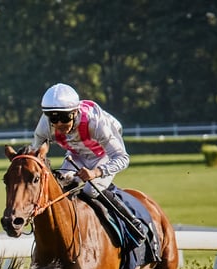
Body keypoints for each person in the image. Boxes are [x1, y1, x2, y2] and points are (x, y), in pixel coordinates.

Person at [31, 83, 147, 244]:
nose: (58, 124)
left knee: (90, 190)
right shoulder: (45, 124)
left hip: (103, 155)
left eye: (64, 117)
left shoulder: (95, 123)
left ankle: (133, 223)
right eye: (54, 118)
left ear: (75, 112)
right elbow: (34, 153)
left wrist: (96, 172)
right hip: (76, 155)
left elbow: (122, 158)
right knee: (59, 186)